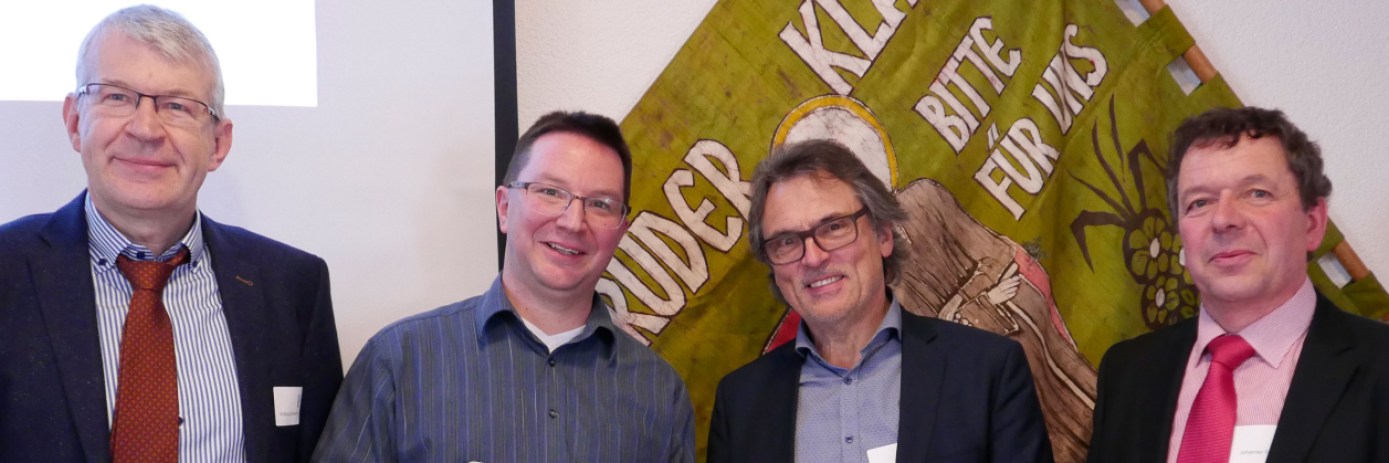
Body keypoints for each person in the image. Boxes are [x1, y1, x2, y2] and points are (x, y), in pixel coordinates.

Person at [0, 5, 342, 462]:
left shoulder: (292, 286)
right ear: (75, 122)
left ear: (218, 143)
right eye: (116, 97)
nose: (145, 129)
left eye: (177, 106)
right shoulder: (7, 270)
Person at [313, 111, 695, 462]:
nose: (573, 222)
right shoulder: (398, 362)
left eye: (600, 204)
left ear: (621, 230)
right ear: (504, 207)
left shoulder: (661, 393)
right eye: (550, 192)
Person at [708, 139, 1053, 463]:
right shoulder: (740, 404)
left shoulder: (987, 369)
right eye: (786, 241)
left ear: (884, 235)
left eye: (834, 227)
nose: (813, 257)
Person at [1087, 106, 1389, 462]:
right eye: (1199, 202)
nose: (1223, 219)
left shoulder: (1380, 367)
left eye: (1256, 193)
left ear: (1312, 223)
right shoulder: (1127, 373)